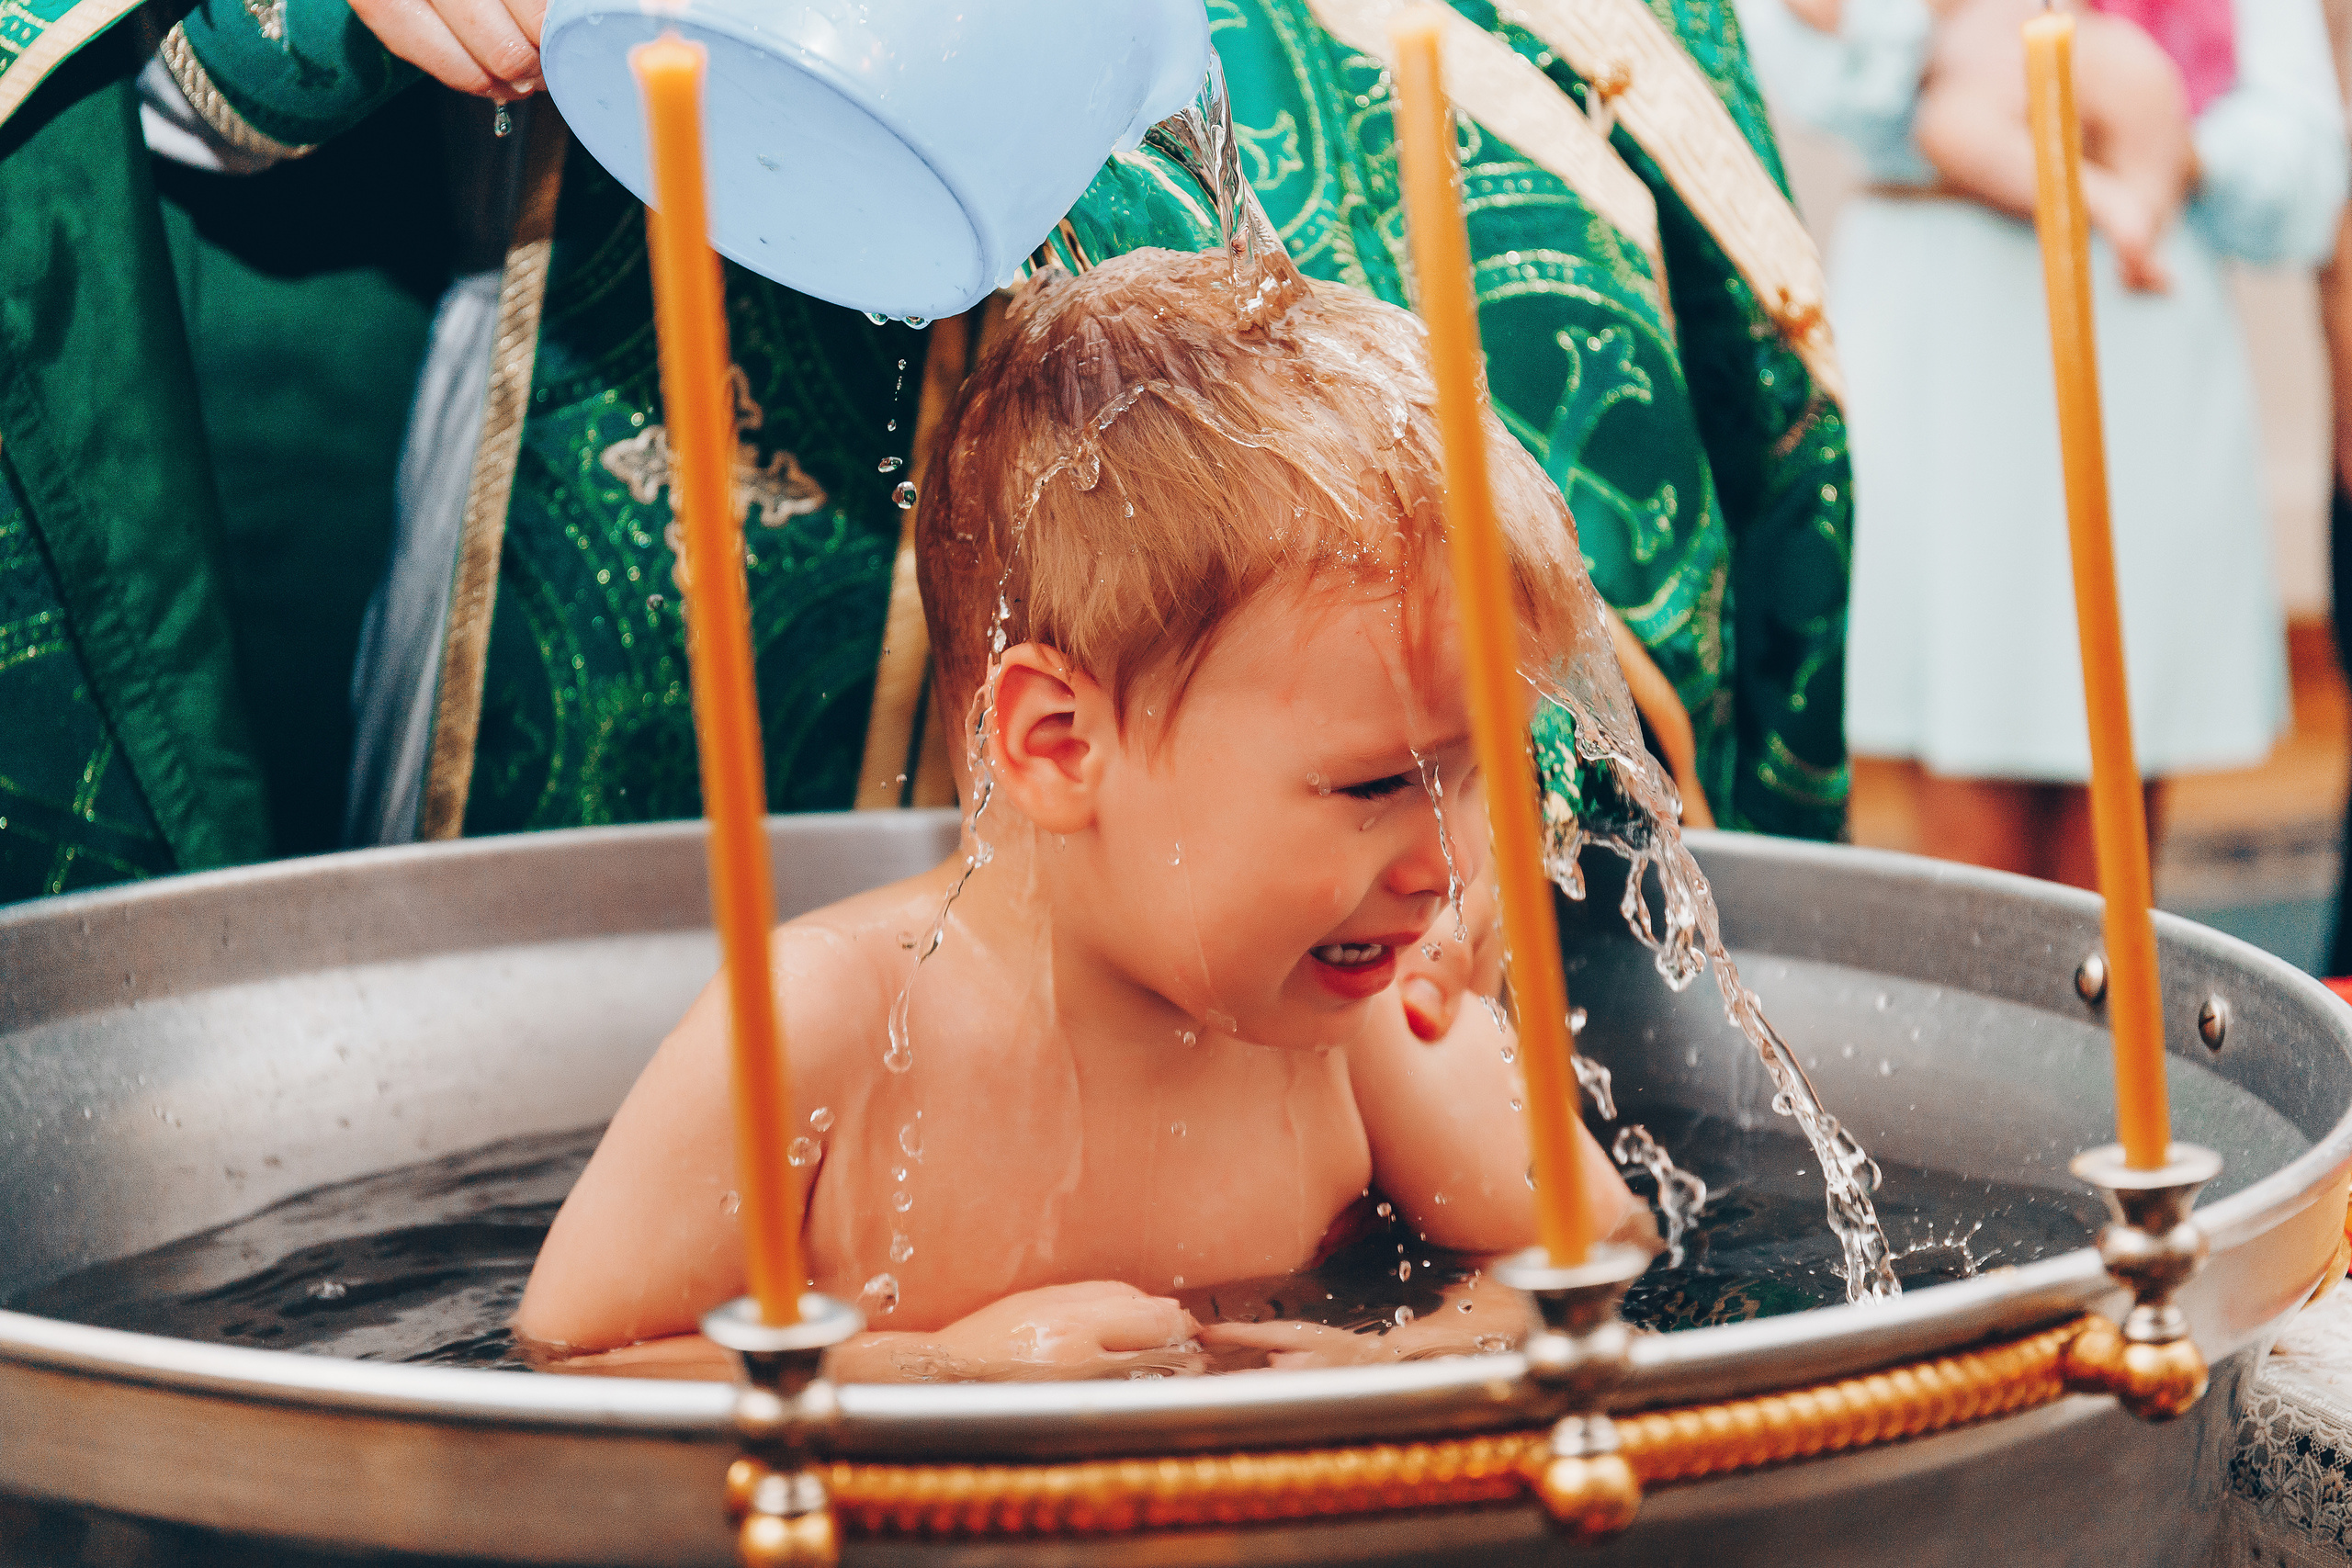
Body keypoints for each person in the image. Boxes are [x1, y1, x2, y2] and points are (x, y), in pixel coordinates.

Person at [510, 249, 1642, 1380]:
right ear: (1058, 743)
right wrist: (933, 1373)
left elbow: (1597, 1248)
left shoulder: (1364, 1008)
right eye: (1379, 786)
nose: (1448, 866)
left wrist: (1428, 1351)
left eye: (1476, 773)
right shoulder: (817, 1029)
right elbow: (575, 1364)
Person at [1740, 0, 2346, 886]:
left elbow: (2303, 170)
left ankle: (2118, 1021)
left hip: (2135, 340)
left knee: (2117, 838)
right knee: (1969, 842)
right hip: (1945, 356)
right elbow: (1813, 76)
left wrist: (2158, 131)